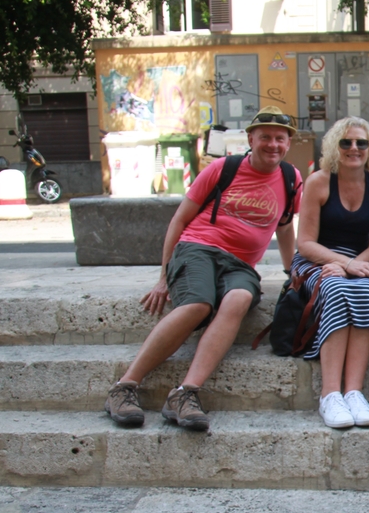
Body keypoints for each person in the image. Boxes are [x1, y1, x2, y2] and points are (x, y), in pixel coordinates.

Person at [104, 106, 301, 431]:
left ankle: (184, 394)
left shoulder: (291, 179)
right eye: (265, 137)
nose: (273, 144)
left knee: (238, 299)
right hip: (198, 248)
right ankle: (124, 387)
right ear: (250, 139)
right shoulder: (224, 168)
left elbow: (283, 227)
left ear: (288, 143)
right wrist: (163, 278)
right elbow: (179, 219)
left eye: (280, 138)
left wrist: (291, 270)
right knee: (198, 304)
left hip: (240, 265)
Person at [291, 116, 369, 429]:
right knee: (335, 288)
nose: (354, 148)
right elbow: (304, 242)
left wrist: (355, 265)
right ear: (335, 146)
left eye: (361, 142)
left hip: (358, 259)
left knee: (368, 290)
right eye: (346, 142)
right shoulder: (319, 181)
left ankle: (354, 392)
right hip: (317, 260)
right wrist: (343, 264)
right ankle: (330, 394)